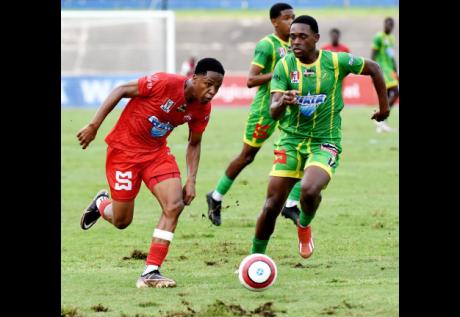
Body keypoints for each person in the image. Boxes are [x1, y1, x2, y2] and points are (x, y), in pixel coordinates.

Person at [249, 15, 389, 258]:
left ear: (316, 39)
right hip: (290, 141)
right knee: (271, 205)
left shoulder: (335, 61)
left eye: (302, 36)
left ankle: (303, 225)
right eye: (292, 36)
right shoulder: (284, 66)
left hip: (325, 141)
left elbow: (374, 69)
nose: (295, 41)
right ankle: (254, 258)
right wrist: (283, 101)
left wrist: (384, 108)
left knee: (310, 190)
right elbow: (273, 110)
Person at [76, 58, 225, 288]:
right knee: (122, 221)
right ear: (193, 78)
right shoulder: (164, 83)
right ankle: (102, 204)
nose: (212, 91)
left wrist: (191, 180)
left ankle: (151, 271)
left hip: (156, 154)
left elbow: (194, 143)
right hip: (123, 153)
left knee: (174, 205)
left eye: (217, 87)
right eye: (208, 84)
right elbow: (121, 90)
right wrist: (94, 125)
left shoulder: (203, 108)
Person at [206, 3, 302, 227]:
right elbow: (251, 80)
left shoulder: (296, 44)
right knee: (247, 156)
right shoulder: (267, 45)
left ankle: (290, 204)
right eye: (287, 18)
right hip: (265, 111)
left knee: (302, 148)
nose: (291, 22)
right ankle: (216, 196)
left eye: (293, 17)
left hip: (287, 106)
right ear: (274, 22)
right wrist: (279, 73)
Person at [371, 17, 398, 133]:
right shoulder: (378, 37)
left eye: (391, 24)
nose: (389, 26)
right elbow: (373, 55)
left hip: (390, 69)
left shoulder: (391, 38)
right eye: (388, 24)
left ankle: (381, 121)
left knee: (387, 96)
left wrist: (395, 69)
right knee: (395, 91)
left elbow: (391, 56)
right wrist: (372, 72)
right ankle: (381, 119)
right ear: (384, 24)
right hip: (381, 69)